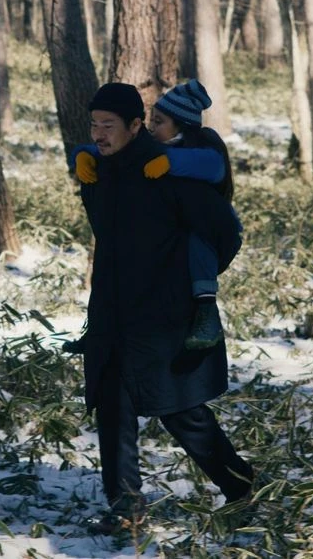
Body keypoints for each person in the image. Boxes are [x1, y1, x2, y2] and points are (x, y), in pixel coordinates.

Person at [73, 82, 253, 534]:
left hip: (163, 318)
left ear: (137, 126)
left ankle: (242, 487)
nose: (99, 134)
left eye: (108, 126)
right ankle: (126, 510)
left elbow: (225, 231)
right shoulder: (98, 172)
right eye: (94, 125)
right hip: (113, 313)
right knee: (113, 410)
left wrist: (190, 285)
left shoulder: (168, 174)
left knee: (180, 411)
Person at [65, 79, 239, 352]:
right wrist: (80, 155)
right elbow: (103, 150)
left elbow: (214, 168)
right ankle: (98, 328)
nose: (152, 127)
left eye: (159, 122)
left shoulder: (194, 152)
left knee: (199, 250)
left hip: (196, 246)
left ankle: (207, 311)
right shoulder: (133, 157)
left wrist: (172, 163)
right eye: (94, 125)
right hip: (122, 304)